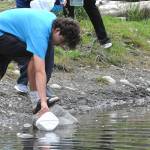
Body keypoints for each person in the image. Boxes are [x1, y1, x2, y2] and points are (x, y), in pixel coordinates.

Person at [0, 8, 80, 116]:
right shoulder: (40, 33)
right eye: (62, 41)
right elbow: (39, 71)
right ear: (57, 31)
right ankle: (37, 100)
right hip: (3, 32)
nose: (61, 45)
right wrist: (43, 102)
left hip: (8, 31)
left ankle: (38, 98)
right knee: (32, 56)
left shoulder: (53, 22)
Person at [14, 0, 66, 95]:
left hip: (44, 17)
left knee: (48, 49)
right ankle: (23, 82)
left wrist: (60, 1)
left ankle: (42, 85)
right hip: (27, 16)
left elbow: (58, 3)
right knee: (31, 53)